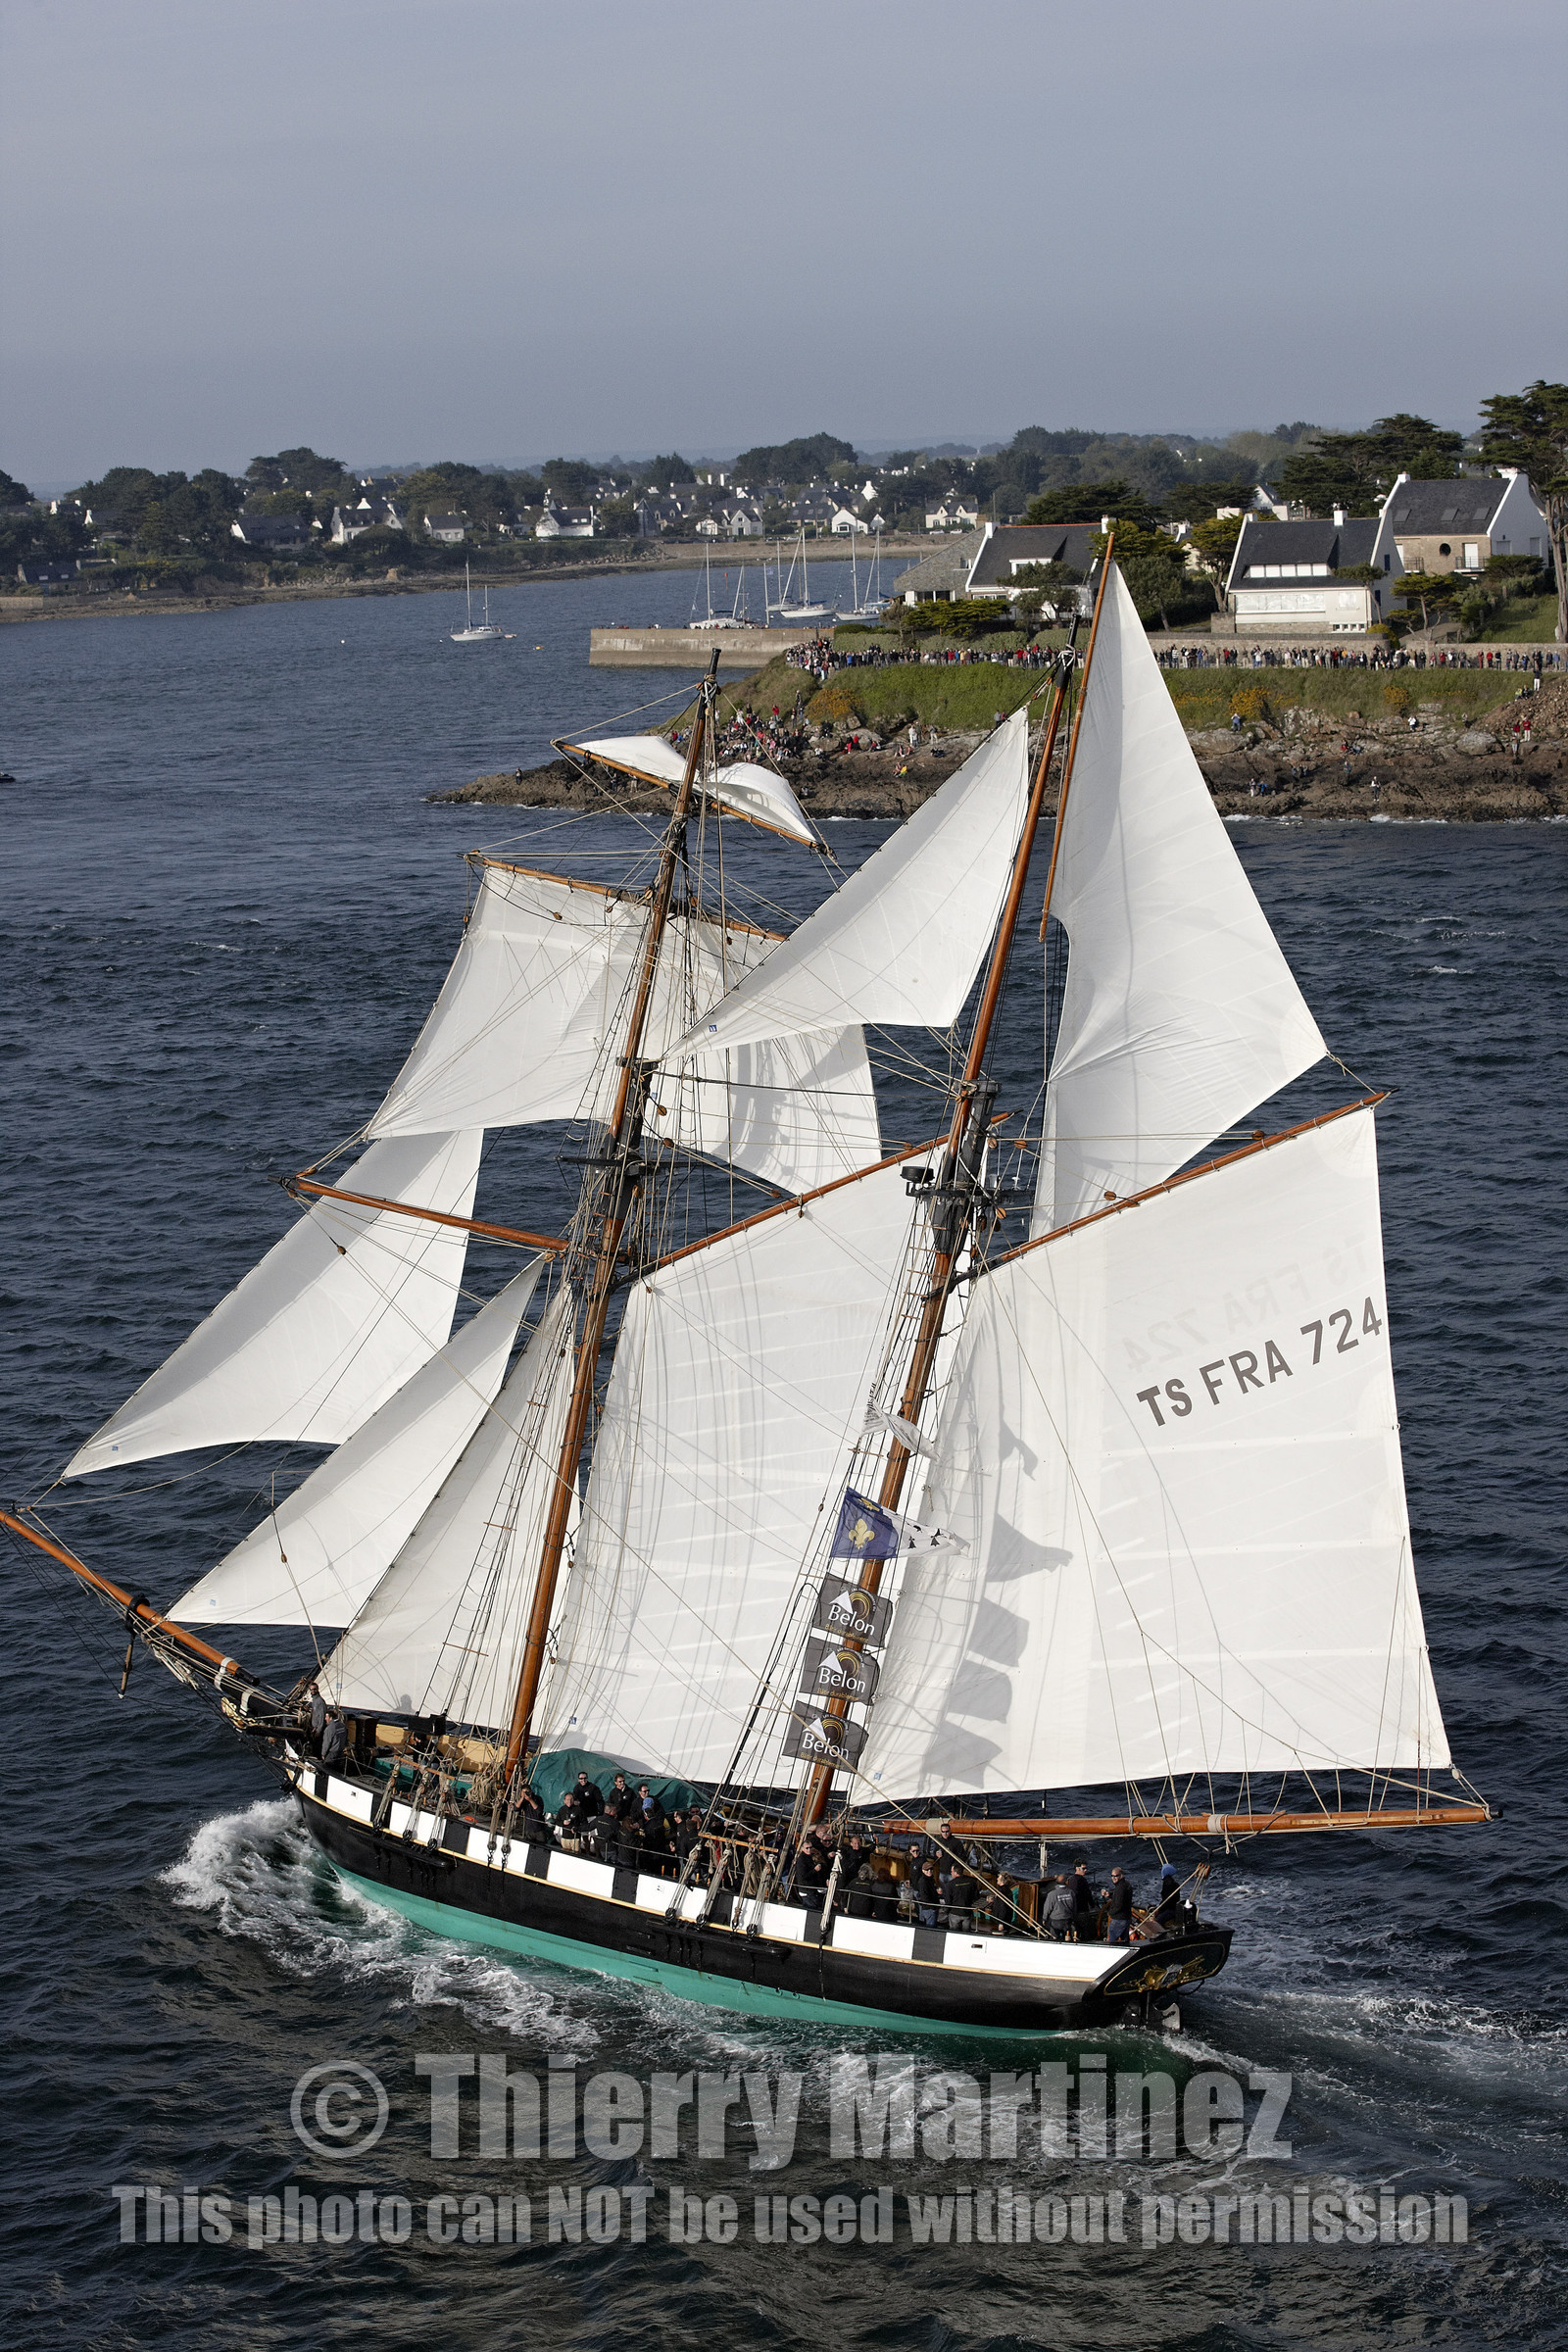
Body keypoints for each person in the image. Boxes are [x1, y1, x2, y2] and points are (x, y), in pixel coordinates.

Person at [1103, 1866, 1135, 1944]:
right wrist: (1110, 1894)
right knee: (1125, 1940)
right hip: (1126, 1917)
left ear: (1121, 1875)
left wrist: (1110, 1913)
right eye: (1112, 1876)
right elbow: (1121, 1898)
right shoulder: (1126, 1885)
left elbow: (1119, 1905)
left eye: (1116, 1876)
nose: (1113, 1878)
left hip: (1119, 1919)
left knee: (1112, 1940)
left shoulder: (1120, 1888)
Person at [1042, 1874, 1077, 1939]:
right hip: (1068, 1920)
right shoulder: (1071, 1893)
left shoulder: (1052, 1894)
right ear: (1066, 1882)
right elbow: (1074, 1908)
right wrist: (1074, 1918)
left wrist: (1044, 1918)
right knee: (1067, 1937)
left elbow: (1048, 1908)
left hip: (1056, 1921)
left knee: (1054, 1938)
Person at [912, 1856, 943, 1926]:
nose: (929, 1871)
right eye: (927, 1870)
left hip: (932, 1907)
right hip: (929, 1909)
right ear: (923, 1871)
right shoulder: (923, 1881)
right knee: (930, 1927)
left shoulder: (931, 1879)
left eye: (931, 1869)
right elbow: (924, 1896)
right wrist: (932, 1907)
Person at [319, 1707, 346, 1771]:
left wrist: (323, 1754)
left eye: (326, 1717)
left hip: (332, 1753)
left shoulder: (329, 1728)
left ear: (330, 1718)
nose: (325, 1719)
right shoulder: (343, 1725)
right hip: (341, 1752)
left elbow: (327, 1743)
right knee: (338, 1770)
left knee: (328, 1769)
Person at [305, 1682, 326, 1757]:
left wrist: (318, 1730)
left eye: (314, 1689)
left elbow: (322, 1716)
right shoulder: (314, 1700)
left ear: (317, 1689)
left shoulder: (320, 1701)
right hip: (314, 1728)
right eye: (311, 1690)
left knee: (318, 1746)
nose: (313, 1691)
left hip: (318, 1729)